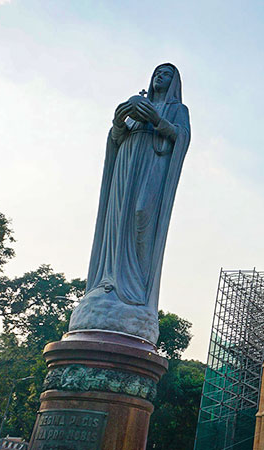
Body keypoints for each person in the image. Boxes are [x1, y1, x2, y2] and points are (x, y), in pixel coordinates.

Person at [69, 63, 190, 344]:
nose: (160, 77)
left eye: (167, 74)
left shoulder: (177, 110)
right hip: (125, 166)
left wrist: (159, 121)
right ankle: (107, 281)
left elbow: (181, 138)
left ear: (174, 83)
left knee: (140, 216)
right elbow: (117, 139)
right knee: (117, 219)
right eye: (158, 73)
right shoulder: (137, 103)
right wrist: (118, 122)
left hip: (152, 166)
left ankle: (134, 292)